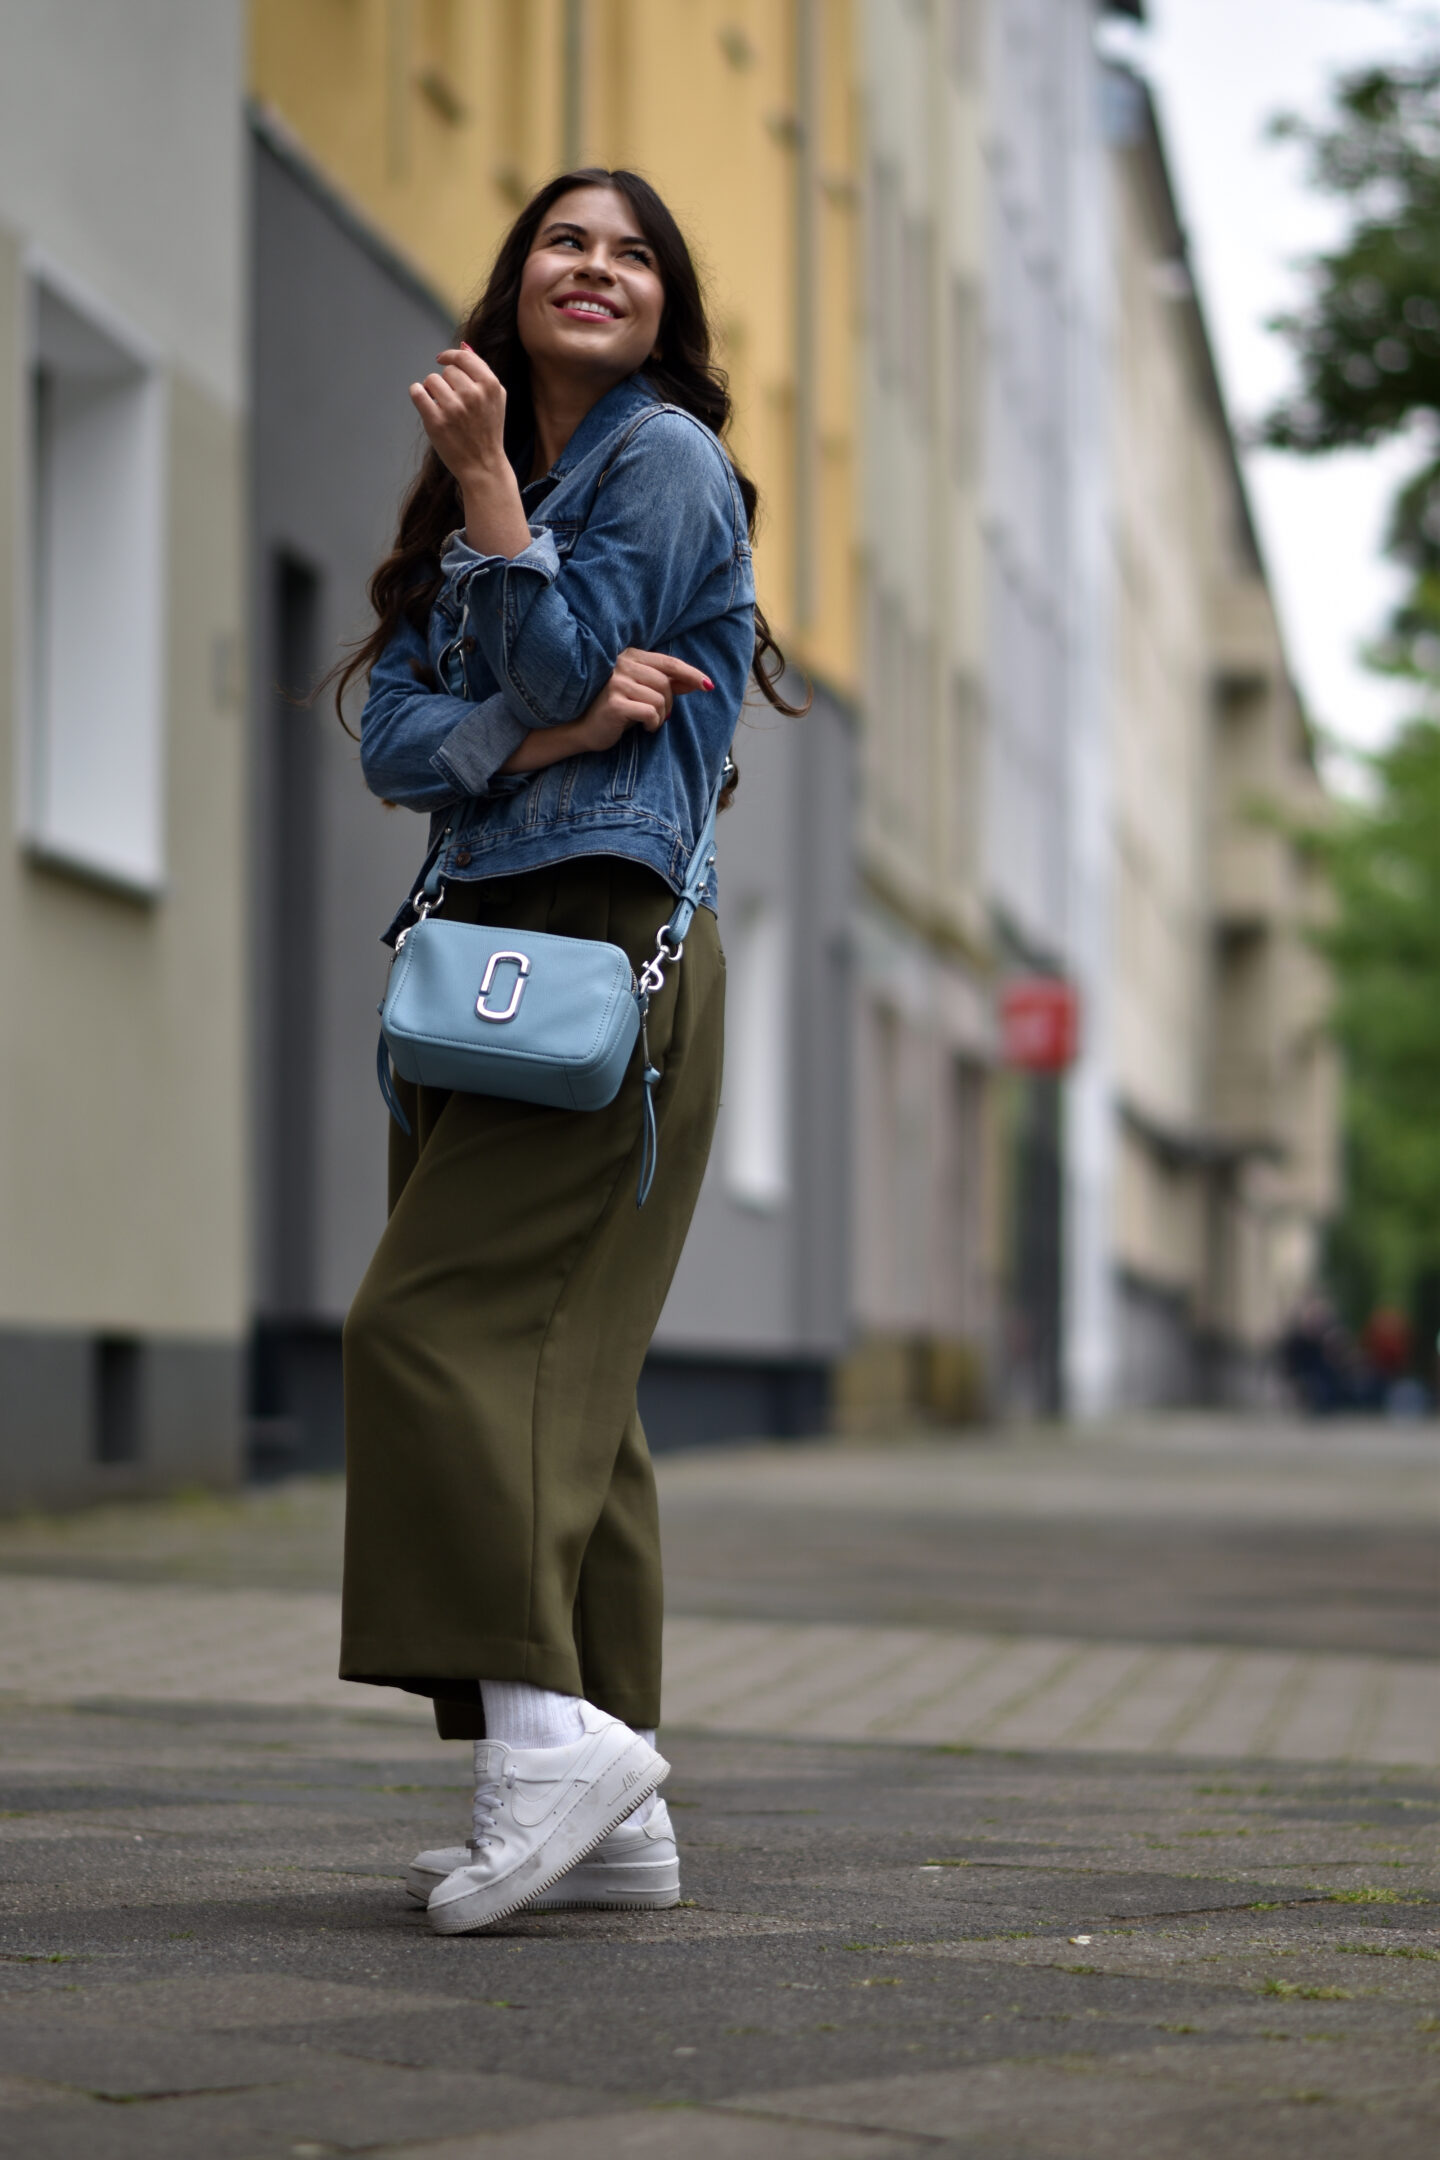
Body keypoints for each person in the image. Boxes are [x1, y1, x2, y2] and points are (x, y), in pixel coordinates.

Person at [332, 168, 800, 1935]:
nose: (594, 269)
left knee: (426, 1327)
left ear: (667, 306)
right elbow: (401, 735)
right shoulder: (501, 486)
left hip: (596, 942)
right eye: (562, 242)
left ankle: (544, 1742)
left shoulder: (659, 459)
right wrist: (533, 741)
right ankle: (620, 1821)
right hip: (490, 956)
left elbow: (558, 650)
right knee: (571, 1392)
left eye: (631, 254)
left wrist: (489, 501)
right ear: (513, 282)